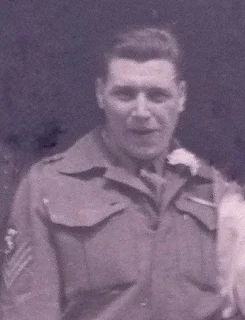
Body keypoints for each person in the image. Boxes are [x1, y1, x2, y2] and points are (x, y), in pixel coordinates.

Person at [0, 24, 243, 320]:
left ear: (181, 97)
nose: (141, 112)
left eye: (157, 96)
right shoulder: (48, 187)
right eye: (125, 95)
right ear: (101, 94)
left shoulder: (216, 190)